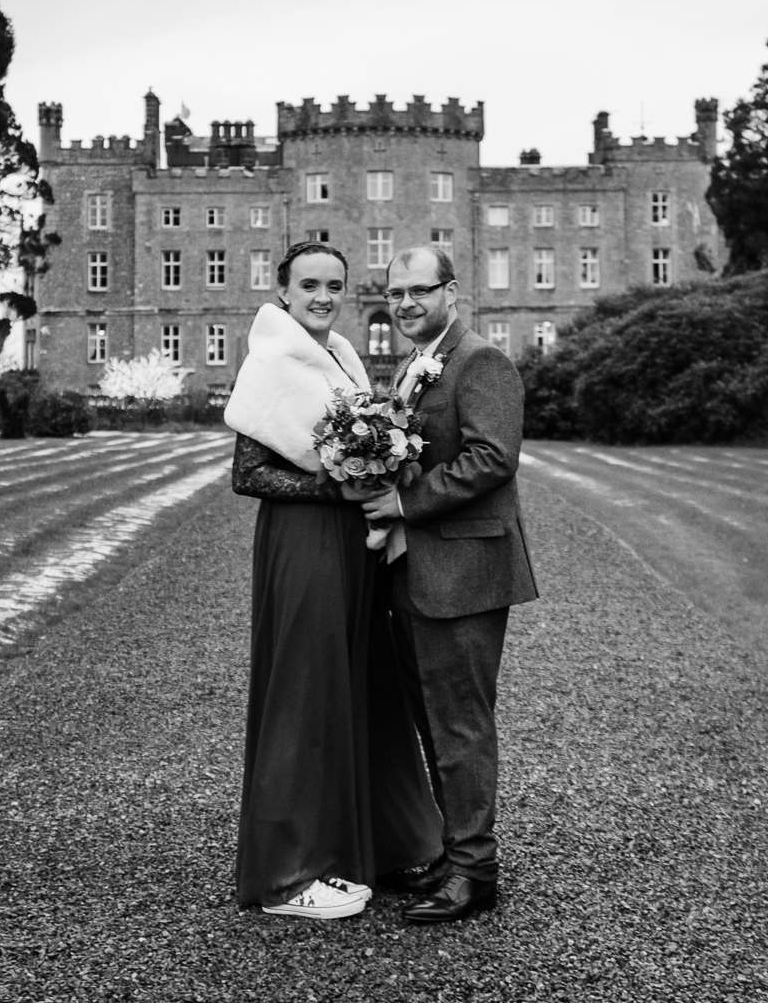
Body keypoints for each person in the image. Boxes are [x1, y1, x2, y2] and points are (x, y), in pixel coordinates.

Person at [223, 241, 442, 919]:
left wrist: (378, 461)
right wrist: (336, 486)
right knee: (307, 688)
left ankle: (377, 842)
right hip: (305, 544)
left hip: (353, 547)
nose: (322, 296)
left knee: (365, 684)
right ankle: (288, 875)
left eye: (334, 284)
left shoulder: (342, 355)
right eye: (309, 284)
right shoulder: (271, 360)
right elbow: (249, 474)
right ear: (283, 292)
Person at [359, 245, 539, 924]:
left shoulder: (479, 361)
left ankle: (476, 874)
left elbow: (493, 458)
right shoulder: (414, 363)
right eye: (396, 290)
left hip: (464, 570)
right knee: (434, 718)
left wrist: (403, 505)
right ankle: (453, 850)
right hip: (416, 568)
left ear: (451, 292)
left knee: (460, 722)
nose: (405, 302)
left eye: (419, 291)